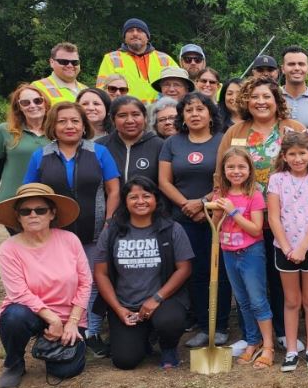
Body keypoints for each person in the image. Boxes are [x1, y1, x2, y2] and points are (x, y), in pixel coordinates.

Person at [23, 102, 121, 357]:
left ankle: (92, 331)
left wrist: (109, 220)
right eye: (62, 121)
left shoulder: (99, 152)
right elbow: (29, 194)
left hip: (95, 230)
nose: (69, 126)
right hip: (55, 233)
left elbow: (113, 190)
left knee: (94, 281)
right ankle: (61, 328)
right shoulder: (40, 156)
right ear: (52, 125)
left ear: (83, 125)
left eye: (75, 121)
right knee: (63, 282)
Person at [216, 77, 306, 347]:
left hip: (286, 219)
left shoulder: (292, 129)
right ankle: (250, 335)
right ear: (246, 101)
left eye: (266, 96)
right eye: (254, 97)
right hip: (244, 220)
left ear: (276, 100)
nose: (260, 102)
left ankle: (281, 331)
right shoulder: (236, 132)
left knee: (280, 278)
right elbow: (220, 173)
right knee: (247, 281)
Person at [0, 183, 90, 388]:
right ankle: (14, 364)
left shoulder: (70, 240)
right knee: (14, 317)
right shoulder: (8, 249)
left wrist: (72, 322)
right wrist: (52, 319)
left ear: (52, 214)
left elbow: (85, 282)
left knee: (64, 372)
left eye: (40, 210)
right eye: (25, 211)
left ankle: (59, 346)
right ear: (18, 217)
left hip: (69, 315)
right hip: (31, 313)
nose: (33, 215)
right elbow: (18, 292)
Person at [94, 177, 193, 370]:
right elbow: (101, 274)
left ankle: (168, 347)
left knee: (169, 321)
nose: (140, 201)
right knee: (125, 361)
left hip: (163, 302)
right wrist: (118, 309)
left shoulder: (171, 229)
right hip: (126, 305)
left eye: (146, 196)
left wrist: (157, 298)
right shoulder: (112, 231)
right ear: (125, 201)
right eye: (133, 197)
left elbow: (185, 268)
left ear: (156, 199)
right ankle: (145, 339)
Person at [158, 92, 230, 349]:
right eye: (189, 110)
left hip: (216, 216)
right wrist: (185, 204)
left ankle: (220, 325)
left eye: (200, 109)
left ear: (211, 114)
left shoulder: (223, 141)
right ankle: (202, 324)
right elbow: (164, 181)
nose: (195, 114)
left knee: (218, 271)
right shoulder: (173, 143)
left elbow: (229, 177)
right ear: (182, 117)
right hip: (182, 219)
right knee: (195, 273)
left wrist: (202, 202)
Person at [268, 132, 308, 371]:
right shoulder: (277, 179)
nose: (297, 158)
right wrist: (286, 247)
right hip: (285, 248)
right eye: (292, 154)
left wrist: (303, 247)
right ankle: (292, 349)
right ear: (284, 155)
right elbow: (273, 216)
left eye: (302, 153)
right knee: (292, 300)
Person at [211, 148, 273, 368]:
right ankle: (252, 341)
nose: (236, 171)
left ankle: (268, 346)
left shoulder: (253, 195)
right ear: (223, 170)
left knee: (257, 300)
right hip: (228, 252)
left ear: (249, 169)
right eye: (231, 167)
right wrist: (217, 207)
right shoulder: (222, 194)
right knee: (243, 301)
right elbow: (216, 222)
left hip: (250, 253)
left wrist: (234, 212)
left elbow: (256, 230)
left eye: (241, 167)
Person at [0, 85, 51, 230]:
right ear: (18, 107)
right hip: (13, 201)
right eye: (25, 102)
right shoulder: (5, 130)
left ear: (45, 103)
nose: (32, 105)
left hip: (48, 200)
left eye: (37, 101)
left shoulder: (56, 130)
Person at [95, 18, 175, 103]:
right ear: (124, 38)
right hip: (126, 112)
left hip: (159, 113)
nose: (135, 33)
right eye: (130, 31)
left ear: (148, 37)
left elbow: (180, 86)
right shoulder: (111, 59)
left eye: (139, 30)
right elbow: (102, 90)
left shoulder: (165, 59)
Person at [100, 95, 165, 183]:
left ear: (145, 117)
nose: (130, 120)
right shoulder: (101, 146)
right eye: (122, 116)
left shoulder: (160, 146)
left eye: (136, 115)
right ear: (112, 119)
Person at [280, 46, 308, 127]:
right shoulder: (273, 99)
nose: (297, 68)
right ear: (282, 69)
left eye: (301, 64)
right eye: (291, 64)